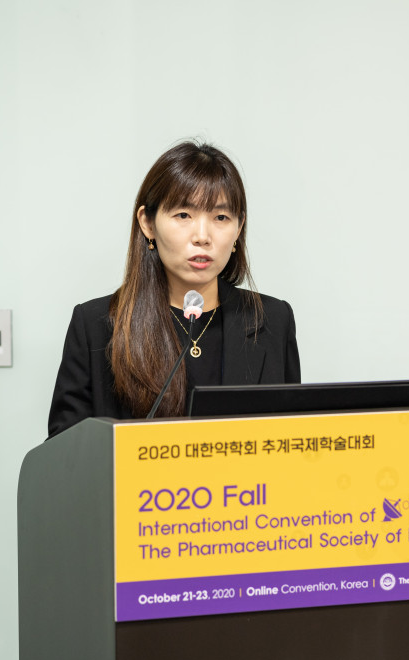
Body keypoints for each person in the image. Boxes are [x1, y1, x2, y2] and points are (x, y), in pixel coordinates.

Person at [47, 141, 300, 438]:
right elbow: (67, 454)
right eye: (183, 215)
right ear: (148, 223)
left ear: (238, 227)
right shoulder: (95, 325)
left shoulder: (273, 320)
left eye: (221, 217)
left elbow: (291, 441)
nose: (202, 236)